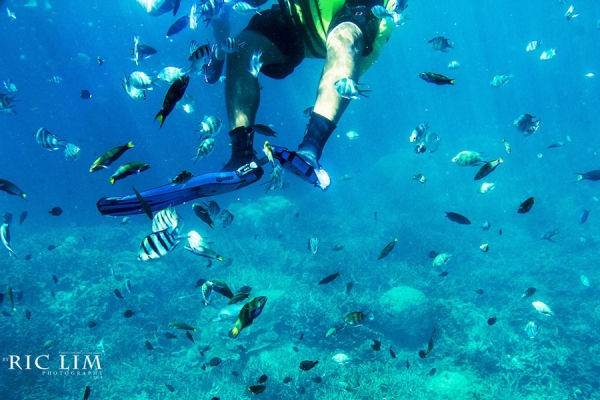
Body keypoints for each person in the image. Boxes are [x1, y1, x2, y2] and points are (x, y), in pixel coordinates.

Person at [97, 0, 399, 216]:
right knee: (243, 47)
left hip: (356, 12)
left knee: (345, 37)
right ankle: (242, 155)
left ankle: (310, 151)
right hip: (300, 17)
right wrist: (219, 51)